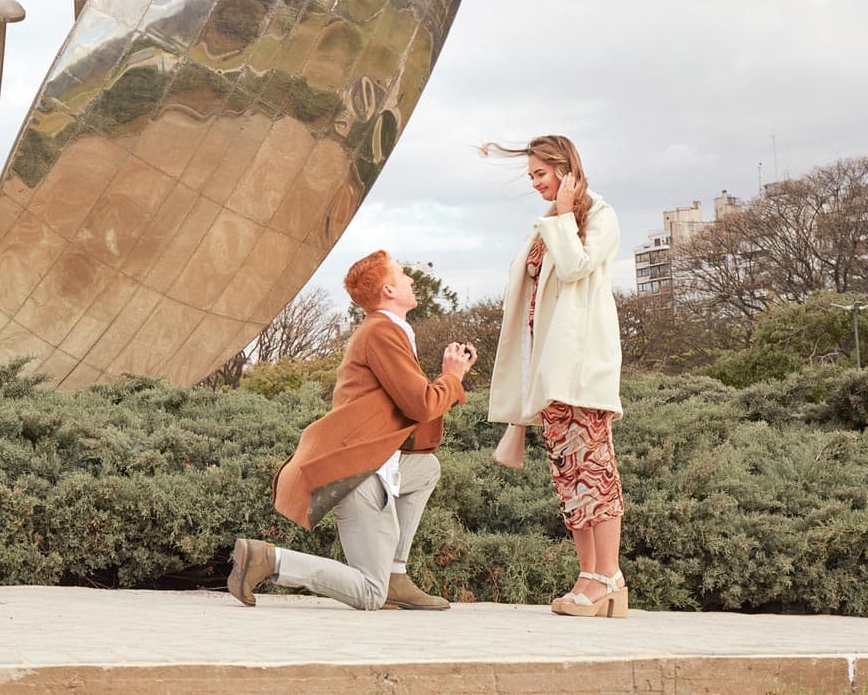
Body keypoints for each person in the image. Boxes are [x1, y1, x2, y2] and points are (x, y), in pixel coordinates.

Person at [227, 249, 477, 611]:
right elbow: (421, 405)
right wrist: (452, 377)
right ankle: (269, 559)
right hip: (359, 470)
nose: (410, 279)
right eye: (403, 274)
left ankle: (395, 574)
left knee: (426, 469)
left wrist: (447, 378)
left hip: (376, 462)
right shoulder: (380, 333)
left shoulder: (392, 332)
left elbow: (413, 412)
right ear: (389, 290)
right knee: (369, 594)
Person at [484, 135, 628, 618]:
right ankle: (589, 575)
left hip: (582, 370)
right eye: (531, 176)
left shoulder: (600, 217)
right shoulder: (547, 223)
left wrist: (565, 214)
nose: (535, 183)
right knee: (570, 476)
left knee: (595, 473)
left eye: (540, 174)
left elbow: (574, 268)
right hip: (549, 373)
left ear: (566, 170)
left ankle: (606, 577)